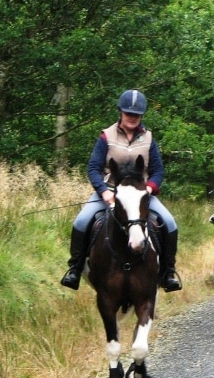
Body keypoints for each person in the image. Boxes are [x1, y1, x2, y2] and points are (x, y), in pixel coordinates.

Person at [60, 89, 182, 292]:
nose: (132, 117)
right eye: (128, 113)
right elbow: (93, 167)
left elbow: (158, 170)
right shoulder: (106, 136)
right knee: (81, 221)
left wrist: (150, 188)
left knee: (169, 223)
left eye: (136, 114)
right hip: (109, 192)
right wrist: (103, 191)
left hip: (140, 194)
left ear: (142, 116)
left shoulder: (149, 138)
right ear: (120, 113)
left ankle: (168, 272)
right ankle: (75, 268)